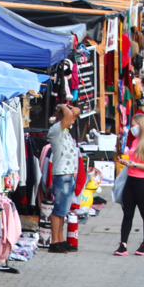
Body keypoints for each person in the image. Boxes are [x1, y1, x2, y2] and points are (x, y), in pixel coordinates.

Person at [114, 113, 144, 257]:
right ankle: (123, 244)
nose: (131, 129)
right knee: (127, 214)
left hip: (143, 184)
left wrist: (135, 164)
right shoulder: (134, 142)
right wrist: (124, 160)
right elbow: (130, 157)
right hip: (131, 181)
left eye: (133, 126)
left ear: (140, 126)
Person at [47, 103, 81, 254]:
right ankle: (54, 241)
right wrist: (61, 105)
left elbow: (76, 112)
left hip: (69, 175)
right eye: (71, 117)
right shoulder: (55, 130)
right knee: (58, 209)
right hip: (62, 175)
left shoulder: (65, 132)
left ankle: (60, 239)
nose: (73, 119)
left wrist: (73, 110)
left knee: (64, 210)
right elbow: (67, 116)